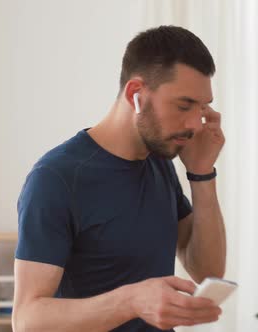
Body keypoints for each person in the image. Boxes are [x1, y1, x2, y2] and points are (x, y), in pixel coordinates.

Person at [12, 25, 227, 332]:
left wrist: (202, 172)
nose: (195, 124)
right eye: (183, 105)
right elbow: (27, 320)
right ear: (135, 94)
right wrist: (131, 301)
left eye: (203, 108)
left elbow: (208, 271)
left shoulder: (159, 162)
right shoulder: (56, 178)